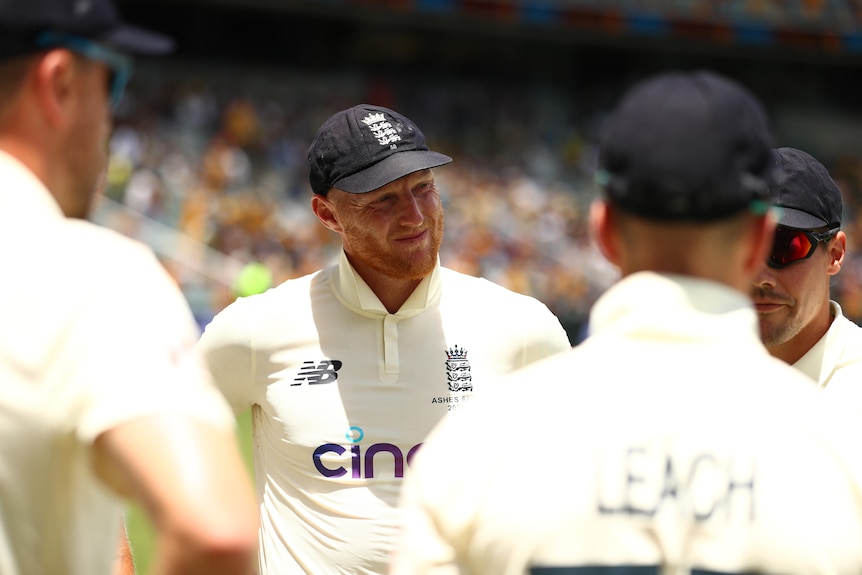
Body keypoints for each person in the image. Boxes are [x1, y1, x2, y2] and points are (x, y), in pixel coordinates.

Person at [390, 71, 862, 575]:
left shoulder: (475, 446)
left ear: (603, 232)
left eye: (788, 250)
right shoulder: (838, 451)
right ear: (755, 238)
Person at [197, 103, 572, 574]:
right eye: (383, 200)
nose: (414, 216)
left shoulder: (522, 328)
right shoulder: (257, 330)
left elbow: (584, 492)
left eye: (424, 189)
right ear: (327, 214)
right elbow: (127, 451)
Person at [0, 1, 259, 574]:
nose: (114, 116)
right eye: (113, 81)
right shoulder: (91, 273)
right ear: (60, 81)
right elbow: (213, 532)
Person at [752, 146, 862, 394]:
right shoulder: (687, 375)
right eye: (745, 248)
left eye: (787, 246)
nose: (760, 278)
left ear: (835, 254)